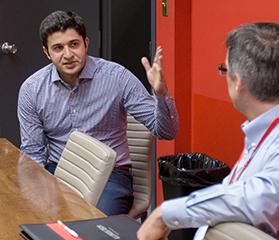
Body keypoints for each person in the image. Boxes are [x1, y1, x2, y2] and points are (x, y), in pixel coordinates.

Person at [137, 22, 279, 240]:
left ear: (238, 82)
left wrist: (166, 213)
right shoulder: (268, 130)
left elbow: (262, 199)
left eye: (224, 69)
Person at [17, 10, 178, 216]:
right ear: (47, 53)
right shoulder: (32, 89)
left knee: (95, 229)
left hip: (111, 176)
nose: (67, 55)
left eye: (74, 44)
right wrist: (34, 195)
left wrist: (161, 93)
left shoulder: (117, 78)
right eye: (58, 48)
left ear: (86, 43)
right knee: (32, 223)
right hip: (59, 170)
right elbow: (33, 152)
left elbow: (167, 132)